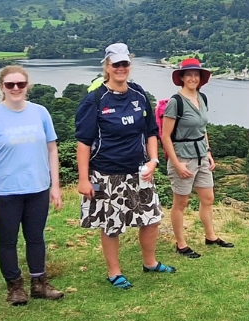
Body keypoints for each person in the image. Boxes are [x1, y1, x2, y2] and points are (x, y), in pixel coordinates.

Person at [74, 43, 176, 289]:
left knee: (151, 218)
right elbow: (83, 142)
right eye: (115, 64)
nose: (121, 68)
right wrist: (83, 178)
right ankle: (114, 272)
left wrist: (153, 161)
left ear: (130, 66)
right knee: (112, 225)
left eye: (125, 64)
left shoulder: (139, 94)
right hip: (106, 172)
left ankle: (150, 262)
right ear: (107, 67)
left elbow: (151, 131)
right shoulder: (95, 99)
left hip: (139, 170)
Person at [0, 66, 65, 306]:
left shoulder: (41, 113)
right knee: (8, 241)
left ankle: (39, 283)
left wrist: (55, 186)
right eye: (10, 85)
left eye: (20, 84)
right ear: (1, 87)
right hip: (4, 192)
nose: (15, 89)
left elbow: (52, 149)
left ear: (27, 86)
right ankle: (14, 287)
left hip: (37, 188)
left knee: (36, 238)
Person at [161, 58, 233, 259]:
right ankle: (181, 244)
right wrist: (176, 164)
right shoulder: (176, 102)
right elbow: (165, 136)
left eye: (196, 75)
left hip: (201, 154)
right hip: (183, 157)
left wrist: (208, 152)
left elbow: (203, 130)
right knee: (181, 202)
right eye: (189, 74)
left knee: (208, 198)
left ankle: (211, 237)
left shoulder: (202, 98)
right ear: (182, 78)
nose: (193, 78)